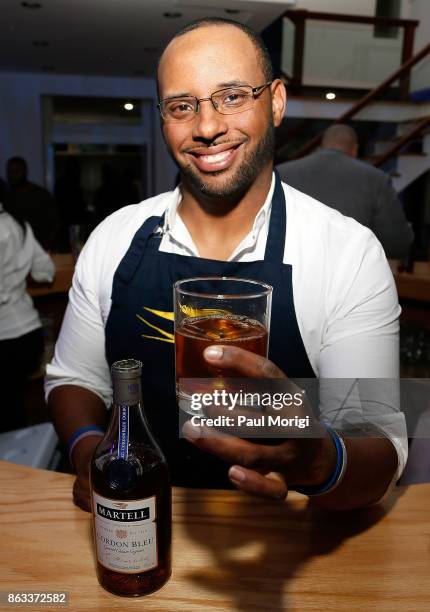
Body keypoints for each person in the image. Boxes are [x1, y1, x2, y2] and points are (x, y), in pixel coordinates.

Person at [45, 18, 407, 513]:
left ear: (275, 102)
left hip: (287, 535)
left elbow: (378, 447)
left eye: (233, 96)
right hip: (139, 519)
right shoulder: (114, 238)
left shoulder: (345, 252)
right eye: (182, 106)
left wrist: (321, 462)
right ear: (163, 119)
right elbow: (75, 379)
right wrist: (90, 450)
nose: (208, 127)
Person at [277, 124, 413, 259]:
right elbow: (397, 243)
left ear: (321, 146)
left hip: (290, 270)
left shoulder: (281, 173)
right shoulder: (376, 179)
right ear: (355, 149)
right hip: (352, 272)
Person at [0, 181, 55, 432]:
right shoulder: (18, 225)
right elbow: (46, 272)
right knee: (14, 408)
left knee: (8, 413)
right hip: (28, 333)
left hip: (5, 338)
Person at [6, 157, 59, 250]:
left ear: (24, 171)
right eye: (10, 171)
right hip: (12, 251)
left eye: (16, 171)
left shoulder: (40, 194)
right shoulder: (6, 196)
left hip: (37, 248)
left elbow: (54, 222)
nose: (13, 175)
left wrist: (46, 246)